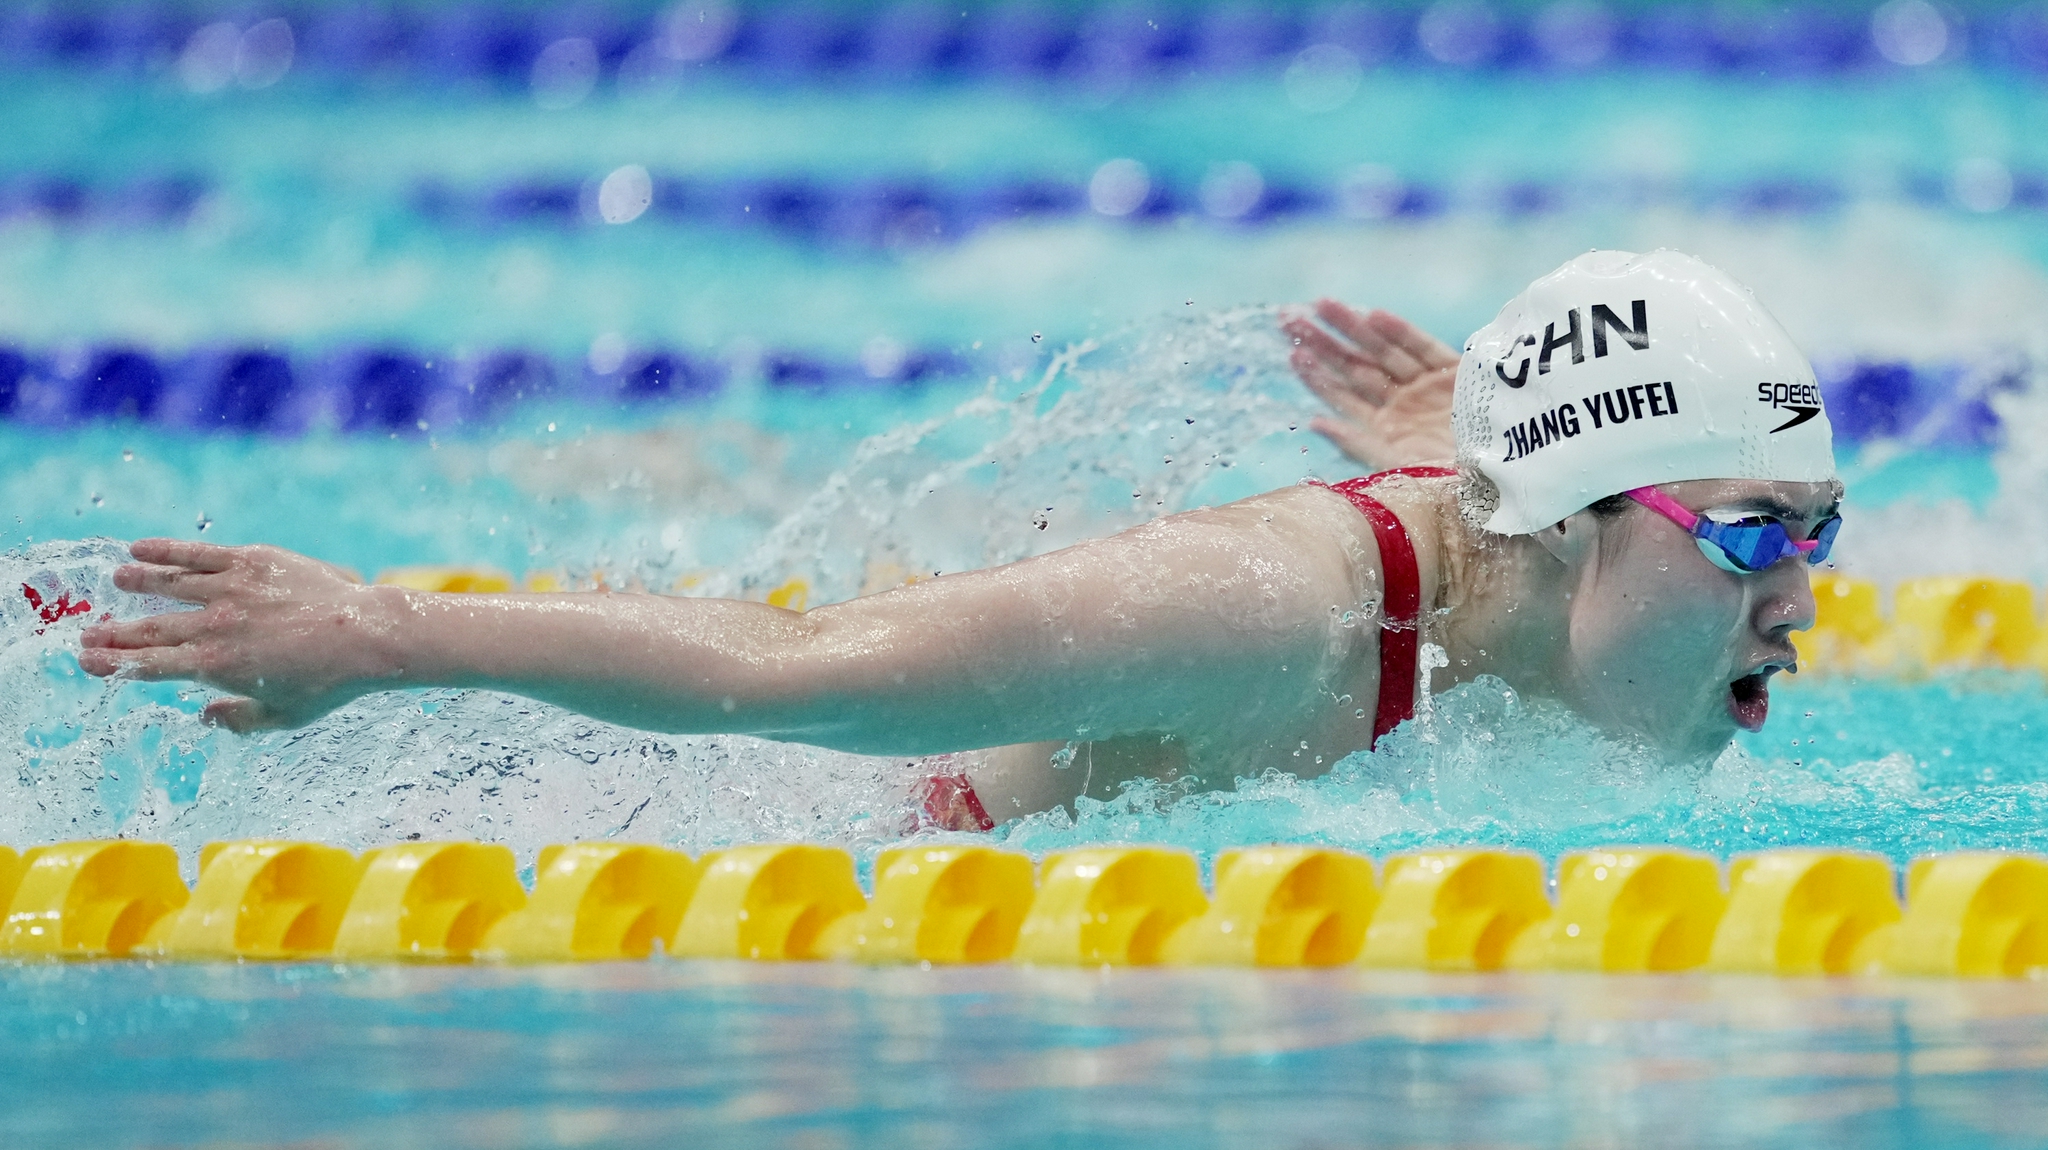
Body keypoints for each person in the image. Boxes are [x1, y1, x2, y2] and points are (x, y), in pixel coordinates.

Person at [78, 250, 1842, 826]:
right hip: (708, 803)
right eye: (1760, 536)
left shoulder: (1527, 570)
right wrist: (376, 632)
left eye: (1820, 540)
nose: (1803, 606)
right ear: (1565, 515)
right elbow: (789, 677)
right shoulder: (1270, 616)